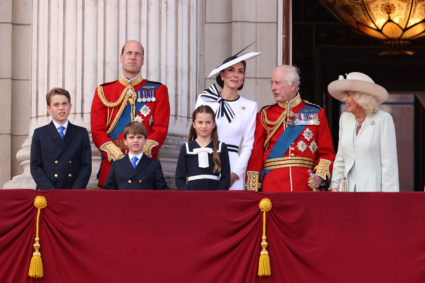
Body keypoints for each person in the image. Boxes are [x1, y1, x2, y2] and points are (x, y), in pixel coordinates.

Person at [91, 40, 170, 187]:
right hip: (112, 169)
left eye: (137, 54)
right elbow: (97, 131)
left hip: (146, 169)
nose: (133, 57)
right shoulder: (103, 91)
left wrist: (140, 155)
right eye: (129, 53)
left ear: (143, 60)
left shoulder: (158, 90)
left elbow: (160, 129)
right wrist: (120, 158)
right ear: (121, 58)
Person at [246, 65, 335, 192]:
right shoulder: (264, 115)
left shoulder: (316, 113)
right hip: (272, 187)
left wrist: (319, 177)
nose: (273, 88)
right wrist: (253, 190)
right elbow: (256, 156)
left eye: (277, 83)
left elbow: (327, 152)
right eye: (272, 83)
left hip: (305, 187)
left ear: (293, 85)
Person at [195, 50, 260, 190]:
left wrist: (235, 174)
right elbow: (194, 135)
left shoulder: (250, 106)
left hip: (233, 166)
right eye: (231, 70)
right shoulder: (205, 99)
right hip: (204, 162)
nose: (236, 75)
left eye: (240, 71)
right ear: (222, 75)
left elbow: (248, 144)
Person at [328, 72, 399, 191]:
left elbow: (389, 164)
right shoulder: (345, 119)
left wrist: (388, 199)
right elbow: (340, 159)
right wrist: (334, 188)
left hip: (372, 192)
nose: (344, 99)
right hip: (347, 193)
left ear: (361, 97)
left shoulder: (383, 119)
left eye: (348, 95)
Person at [30, 88, 92, 190]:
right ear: (48, 108)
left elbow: (86, 166)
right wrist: (49, 190)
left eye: (64, 104)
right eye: (56, 105)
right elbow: (35, 167)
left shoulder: (81, 133)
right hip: (48, 191)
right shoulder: (39, 134)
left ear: (70, 106)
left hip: (73, 191)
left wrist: (76, 190)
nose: (61, 108)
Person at [175, 105, 231, 190]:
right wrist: (187, 195)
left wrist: (217, 196)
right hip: (192, 198)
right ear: (194, 124)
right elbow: (179, 178)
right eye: (200, 122)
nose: (204, 126)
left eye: (208, 122)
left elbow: (226, 178)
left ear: (213, 124)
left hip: (214, 198)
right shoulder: (186, 148)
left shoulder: (221, 147)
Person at [103, 122, 168, 190]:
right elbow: (108, 191)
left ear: (145, 141)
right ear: (125, 141)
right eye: (131, 137)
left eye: (139, 137)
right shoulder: (117, 165)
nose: (135, 140)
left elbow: (162, 191)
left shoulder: (154, 164)